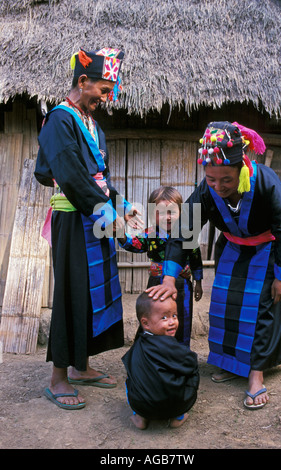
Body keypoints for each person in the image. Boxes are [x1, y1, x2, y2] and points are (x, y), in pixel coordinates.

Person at [146, 121, 281, 410]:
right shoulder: (207, 190)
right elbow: (184, 229)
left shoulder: (265, 181)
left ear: (241, 167)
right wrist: (168, 277)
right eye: (210, 179)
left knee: (259, 308)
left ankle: (255, 373)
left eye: (225, 179)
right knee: (224, 305)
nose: (218, 186)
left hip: (267, 251)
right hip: (232, 249)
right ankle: (230, 363)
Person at [35, 47, 141, 410]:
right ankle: (58, 378)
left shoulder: (92, 125)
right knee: (71, 292)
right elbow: (69, 177)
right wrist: (108, 216)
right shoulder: (59, 120)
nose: (107, 97)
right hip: (73, 220)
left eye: (111, 90)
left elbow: (100, 178)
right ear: (83, 81)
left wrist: (122, 206)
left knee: (92, 293)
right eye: (104, 89)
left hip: (94, 216)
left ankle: (81, 367)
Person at [118, 186, 203, 347]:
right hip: (155, 284)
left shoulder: (187, 234)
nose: (167, 217)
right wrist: (120, 233)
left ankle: (180, 356)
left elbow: (196, 258)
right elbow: (133, 244)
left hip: (182, 286)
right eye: (160, 212)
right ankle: (153, 355)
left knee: (182, 320)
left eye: (172, 211)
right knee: (155, 317)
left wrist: (198, 282)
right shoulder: (150, 234)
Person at [122, 292, 199, 429]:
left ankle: (140, 418)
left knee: (130, 379)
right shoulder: (172, 347)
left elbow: (130, 367)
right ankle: (178, 417)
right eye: (164, 318)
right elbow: (191, 362)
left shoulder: (138, 344)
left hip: (143, 406)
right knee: (192, 371)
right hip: (174, 406)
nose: (172, 322)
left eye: (174, 316)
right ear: (145, 323)